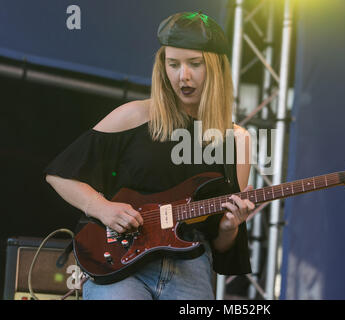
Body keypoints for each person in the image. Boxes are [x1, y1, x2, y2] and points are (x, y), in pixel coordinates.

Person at [44, 12, 254, 300]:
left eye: (195, 64)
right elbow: (60, 174)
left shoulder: (238, 140)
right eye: (173, 64)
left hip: (190, 269)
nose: (184, 75)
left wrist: (230, 227)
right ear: (162, 66)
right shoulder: (134, 116)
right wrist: (103, 208)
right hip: (121, 262)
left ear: (216, 69)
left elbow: (221, 244)